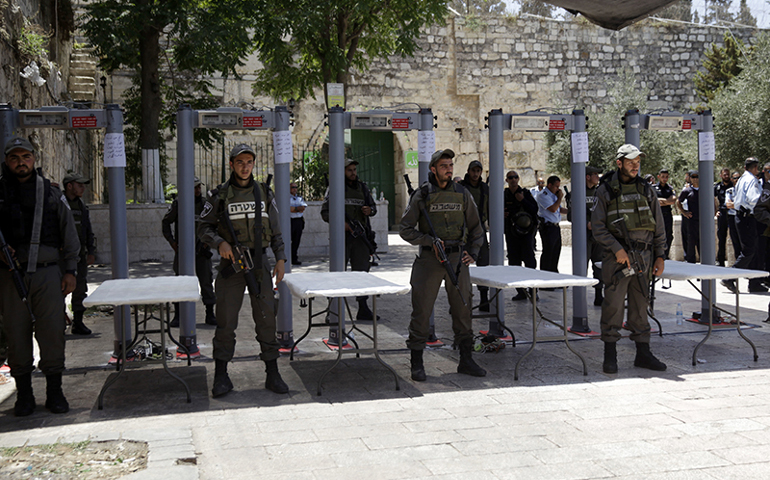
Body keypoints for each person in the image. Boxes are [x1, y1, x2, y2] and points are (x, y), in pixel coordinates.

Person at [198, 144, 288, 397]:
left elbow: (277, 230)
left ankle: (272, 373)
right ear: (231, 164)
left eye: (249, 162)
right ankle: (221, 375)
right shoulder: (219, 196)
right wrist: (220, 243)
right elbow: (203, 228)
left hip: (260, 263)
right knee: (226, 321)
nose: (245, 166)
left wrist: (281, 259)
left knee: (267, 318)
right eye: (240, 162)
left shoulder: (264, 193)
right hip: (232, 265)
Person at [0, 137, 80, 416]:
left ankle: (55, 392)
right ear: (7, 162)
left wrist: (70, 271)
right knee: (16, 334)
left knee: (51, 333)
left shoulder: (50, 192)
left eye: (26, 157)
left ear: (34, 159)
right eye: (14, 158)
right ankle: (24, 395)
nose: (20, 162)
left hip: (47, 274)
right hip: (10, 277)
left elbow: (69, 234)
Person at [400, 149, 486, 381]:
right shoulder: (422, 194)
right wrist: (428, 241)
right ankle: (417, 363)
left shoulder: (462, 193)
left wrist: (473, 252)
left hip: (457, 259)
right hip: (430, 259)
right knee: (422, 311)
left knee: (463, 308)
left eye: (450, 165)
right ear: (433, 169)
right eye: (443, 165)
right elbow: (405, 228)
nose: (449, 169)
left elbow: (477, 228)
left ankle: (466, 360)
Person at [591, 144, 667, 374]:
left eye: (638, 161)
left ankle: (643, 353)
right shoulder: (605, 190)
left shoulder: (646, 189)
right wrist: (617, 249)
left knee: (641, 304)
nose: (635, 165)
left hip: (644, 256)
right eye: (630, 161)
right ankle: (610, 354)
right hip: (618, 258)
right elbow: (598, 227)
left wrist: (660, 255)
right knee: (613, 304)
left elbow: (658, 224)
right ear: (619, 163)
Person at [321, 159, 378, 320]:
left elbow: (373, 207)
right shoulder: (335, 189)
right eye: (349, 170)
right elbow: (325, 213)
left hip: (361, 239)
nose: (353, 173)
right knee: (338, 274)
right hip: (342, 238)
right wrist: (343, 225)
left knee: (362, 273)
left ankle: (363, 307)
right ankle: (332, 310)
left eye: (354, 170)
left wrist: (369, 210)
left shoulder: (363, 188)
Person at [162, 176, 216, 327]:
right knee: (180, 283)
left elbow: (214, 225)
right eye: (195, 187)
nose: (198, 190)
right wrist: (173, 242)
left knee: (206, 281)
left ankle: (210, 313)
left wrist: (208, 243)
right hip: (184, 251)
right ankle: (178, 315)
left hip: (202, 250)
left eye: (199, 187)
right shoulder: (179, 203)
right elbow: (166, 222)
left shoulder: (206, 204)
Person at [723, 157, 765, 294]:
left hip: (741, 216)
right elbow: (754, 199)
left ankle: (754, 283)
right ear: (755, 168)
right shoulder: (751, 180)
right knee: (749, 250)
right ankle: (730, 277)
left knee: (754, 250)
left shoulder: (741, 179)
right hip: (747, 218)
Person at [62, 172, 96, 335]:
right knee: (58, 290)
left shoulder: (81, 206)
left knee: (80, 289)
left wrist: (91, 250)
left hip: (80, 256)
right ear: (69, 186)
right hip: (61, 257)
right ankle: (59, 322)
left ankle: (78, 322)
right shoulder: (59, 203)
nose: (83, 188)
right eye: (79, 185)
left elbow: (88, 229)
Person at [459, 160, 490, 311]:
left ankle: (484, 299)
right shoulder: (461, 188)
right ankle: (460, 301)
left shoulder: (485, 188)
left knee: (483, 264)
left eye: (478, 171)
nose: (476, 174)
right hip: (463, 230)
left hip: (480, 229)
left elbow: (489, 207)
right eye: (473, 171)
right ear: (469, 171)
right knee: (460, 265)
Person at [503, 170, 538, 300]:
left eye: (515, 177)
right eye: (510, 177)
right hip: (512, 234)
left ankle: (533, 290)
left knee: (529, 261)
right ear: (507, 180)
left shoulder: (525, 193)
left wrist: (522, 200)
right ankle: (521, 291)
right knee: (514, 262)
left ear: (518, 179)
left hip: (526, 233)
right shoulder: (504, 195)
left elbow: (534, 209)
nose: (513, 179)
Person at [536, 175, 568, 273]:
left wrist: (571, 211)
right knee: (548, 252)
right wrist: (559, 198)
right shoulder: (543, 195)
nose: (558, 189)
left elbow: (559, 209)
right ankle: (546, 274)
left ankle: (554, 273)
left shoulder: (554, 195)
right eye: (556, 186)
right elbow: (553, 209)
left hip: (555, 226)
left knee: (556, 251)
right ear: (549, 185)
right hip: (547, 227)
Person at [585, 166, 604, 306]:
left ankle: (599, 295)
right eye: (595, 174)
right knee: (582, 267)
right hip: (584, 236)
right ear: (587, 176)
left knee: (599, 266)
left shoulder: (599, 192)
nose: (598, 177)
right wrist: (586, 223)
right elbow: (572, 215)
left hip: (598, 235)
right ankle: (580, 297)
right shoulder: (578, 193)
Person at [677, 169, 700, 263]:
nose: (695, 179)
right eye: (693, 177)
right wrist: (684, 212)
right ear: (690, 178)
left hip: (702, 221)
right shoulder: (687, 191)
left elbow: (714, 200)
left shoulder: (705, 189)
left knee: (702, 245)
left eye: (697, 177)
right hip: (691, 221)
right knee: (690, 244)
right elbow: (678, 202)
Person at [653, 169, 677, 260]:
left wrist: (662, 201)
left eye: (666, 177)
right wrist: (667, 201)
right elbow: (654, 201)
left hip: (667, 215)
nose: (664, 179)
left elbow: (673, 201)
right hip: (657, 214)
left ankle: (665, 255)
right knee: (657, 234)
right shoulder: (653, 188)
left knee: (669, 235)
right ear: (658, 177)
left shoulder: (670, 188)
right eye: (663, 177)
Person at [715, 168, 733, 266]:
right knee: (721, 238)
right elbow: (711, 198)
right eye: (724, 175)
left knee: (735, 238)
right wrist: (715, 211)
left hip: (732, 213)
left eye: (728, 174)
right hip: (722, 214)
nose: (726, 176)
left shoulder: (733, 185)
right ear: (721, 175)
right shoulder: (717, 187)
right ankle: (720, 261)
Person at [724, 171, 742, 261]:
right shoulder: (729, 191)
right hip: (732, 217)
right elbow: (728, 204)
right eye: (735, 178)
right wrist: (740, 205)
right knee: (735, 241)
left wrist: (734, 204)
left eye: (739, 177)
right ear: (732, 179)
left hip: (743, 217)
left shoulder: (744, 191)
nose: (737, 180)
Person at [289, 182, 307, 266]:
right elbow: (289, 209)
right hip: (290, 221)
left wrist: (294, 208)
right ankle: (288, 258)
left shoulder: (299, 198)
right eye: (293, 187)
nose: (295, 189)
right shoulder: (286, 198)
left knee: (296, 241)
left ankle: (294, 258)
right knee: (288, 240)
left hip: (299, 221)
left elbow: (302, 208)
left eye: (296, 187)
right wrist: (297, 208)